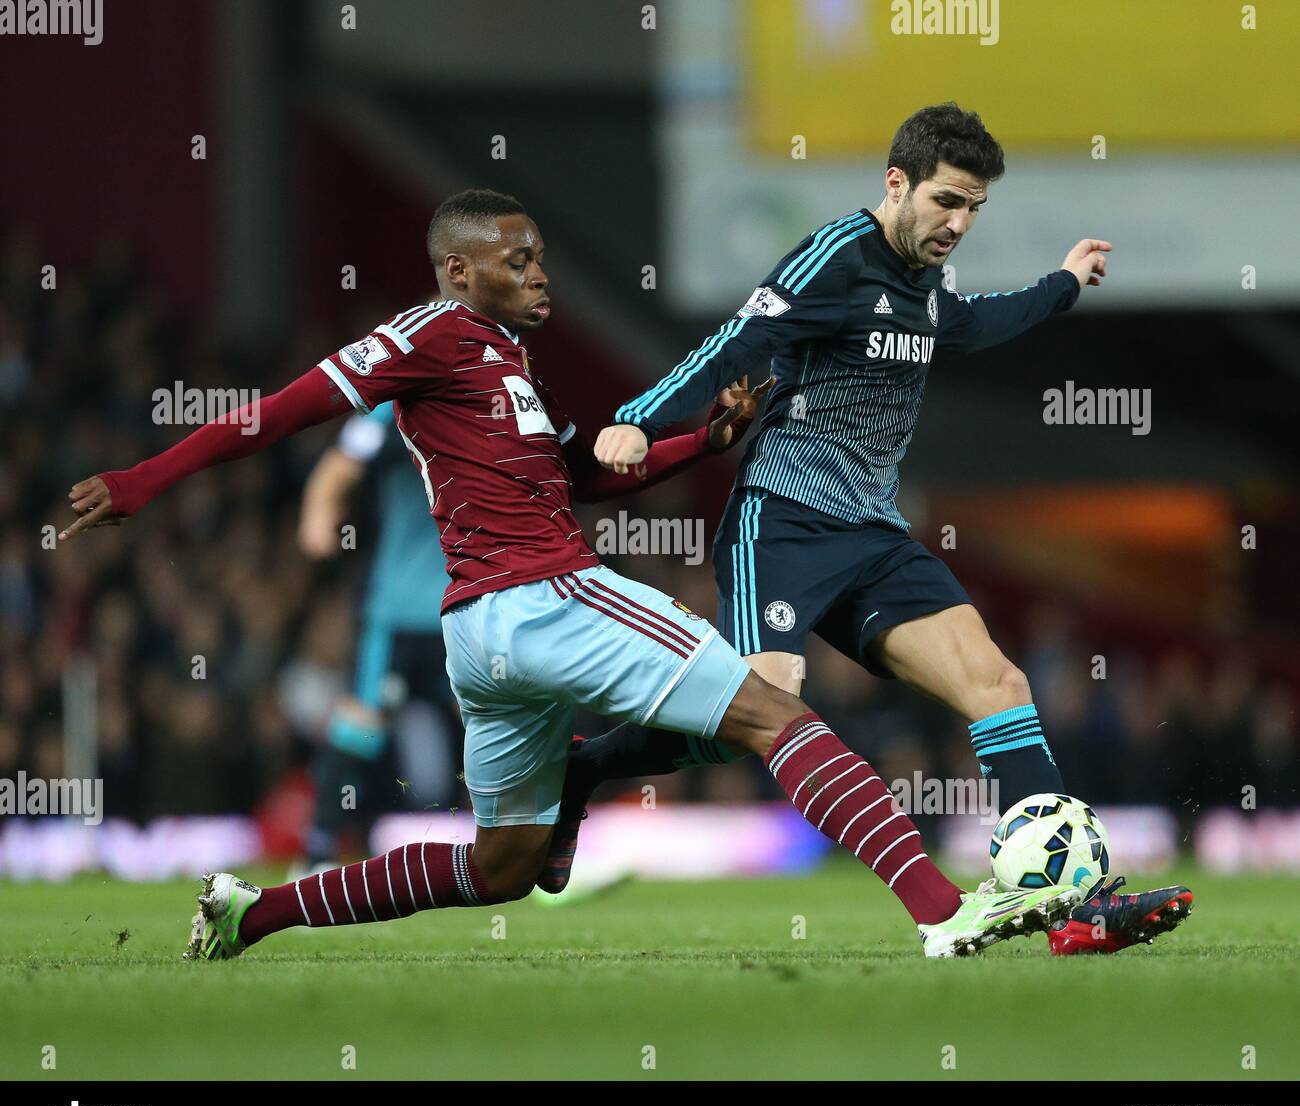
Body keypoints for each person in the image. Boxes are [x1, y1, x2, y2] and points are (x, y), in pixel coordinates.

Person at [62, 188, 1086, 960]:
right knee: (777, 711)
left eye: (542, 257)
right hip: (545, 596)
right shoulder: (426, 335)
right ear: (459, 272)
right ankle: (946, 914)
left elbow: (570, 479)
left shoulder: (500, 361)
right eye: (519, 260)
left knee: (498, 867)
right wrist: (144, 480)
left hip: (482, 639)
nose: (540, 273)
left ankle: (253, 912)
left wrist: (698, 441)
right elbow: (283, 408)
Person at [568, 105, 1193, 955]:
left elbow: (971, 326)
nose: (959, 224)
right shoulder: (835, 257)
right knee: (755, 717)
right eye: (945, 201)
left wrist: (1062, 283)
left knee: (999, 684)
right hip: (781, 525)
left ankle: (1076, 909)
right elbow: (738, 337)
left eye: (974, 207)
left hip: (873, 534)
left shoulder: (928, 288)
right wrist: (639, 417)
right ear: (896, 183)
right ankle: (584, 768)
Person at [294, 400, 459, 872]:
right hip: (400, 610)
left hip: (470, 605)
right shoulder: (393, 410)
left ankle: (543, 849)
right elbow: (342, 464)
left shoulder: (494, 395)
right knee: (360, 725)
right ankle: (316, 856)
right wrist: (318, 512)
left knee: (501, 721)